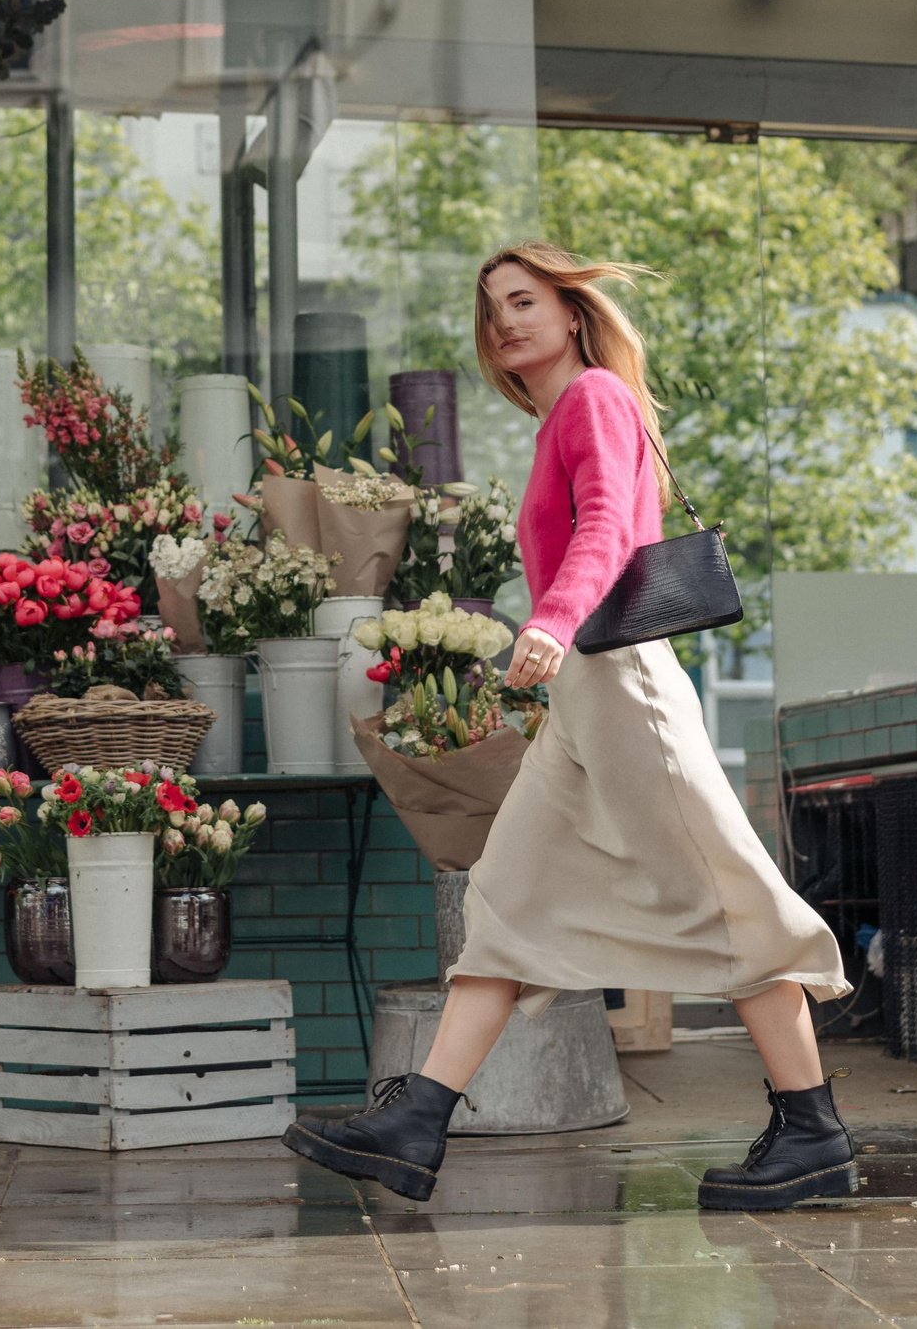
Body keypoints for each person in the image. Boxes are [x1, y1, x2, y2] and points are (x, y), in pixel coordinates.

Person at [282, 242, 854, 1210]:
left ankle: (812, 1131)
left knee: (719, 898)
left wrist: (547, 621)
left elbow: (603, 534)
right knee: (504, 899)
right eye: (492, 308)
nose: (506, 321)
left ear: (572, 310)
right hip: (583, 699)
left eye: (525, 300)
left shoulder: (592, 398)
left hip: (620, 679)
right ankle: (416, 1121)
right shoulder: (560, 419)